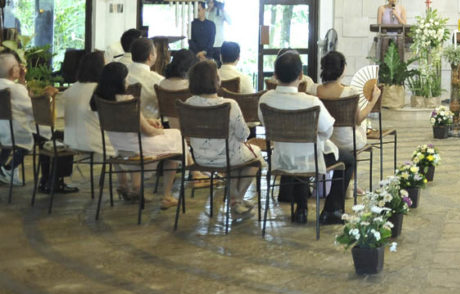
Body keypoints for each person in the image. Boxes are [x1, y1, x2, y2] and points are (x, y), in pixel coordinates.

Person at [259, 51, 344, 225]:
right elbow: (328, 129)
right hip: (309, 158)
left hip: (281, 159)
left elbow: (264, 123)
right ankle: (331, 210)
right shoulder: (311, 102)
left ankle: (302, 209)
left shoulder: (264, 99)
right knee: (347, 159)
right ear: (300, 75)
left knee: (302, 153)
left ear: (275, 75)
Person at [92, 62, 182, 208]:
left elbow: (127, 122)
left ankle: (136, 188)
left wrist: (148, 121)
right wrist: (161, 131)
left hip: (120, 149)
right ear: (118, 82)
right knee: (176, 139)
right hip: (139, 147)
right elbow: (149, 131)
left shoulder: (100, 103)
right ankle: (167, 195)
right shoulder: (127, 101)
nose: (127, 82)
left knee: (174, 140)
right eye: (125, 79)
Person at [182, 59, 260, 218]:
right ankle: (236, 199)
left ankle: (236, 202)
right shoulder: (229, 104)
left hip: (199, 158)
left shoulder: (188, 103)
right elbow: (244, 134)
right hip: (227, 157)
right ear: (215, 80)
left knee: (237, 157)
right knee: (256, 158)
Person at [317, 51, 381, 202]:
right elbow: (358, 119)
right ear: (342, 68)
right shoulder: (350, 92)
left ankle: (346, 185)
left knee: (353, 133)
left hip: (325, 140)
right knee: (358, 131)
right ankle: (350, 185)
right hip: (346, 140)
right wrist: (373, 100)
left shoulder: (314, 90)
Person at [63, 50, 114, 157]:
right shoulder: (100, 90)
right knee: (130, 143)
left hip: (71, 140)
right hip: (95, 141)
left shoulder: (71, 89)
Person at [0, 52, 35, 186]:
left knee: (7, 144)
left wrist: (21, 81)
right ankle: (9, 169)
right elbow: (32, 112)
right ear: (12, 70)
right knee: (36, 139)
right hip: (15, 133)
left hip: (2, 131)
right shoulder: (16, 89)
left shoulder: (13, 87)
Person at [127, 37, 163, 121]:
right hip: (150, 125)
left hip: (122, 126)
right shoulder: (158, 80)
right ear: (150, 56)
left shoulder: (123, 74)